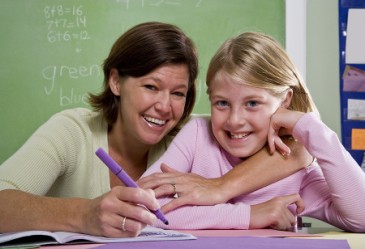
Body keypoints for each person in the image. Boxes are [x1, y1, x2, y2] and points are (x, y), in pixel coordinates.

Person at [0, 22, 309, 237]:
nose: (165, 106)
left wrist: (222, 187)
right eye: (151, 86)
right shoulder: (72, 131)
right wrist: (84, 215)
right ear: (116, 81)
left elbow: (302, 144)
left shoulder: (195, 134)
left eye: (178, 93)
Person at [140, 31, 365, 232]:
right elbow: (141, 210)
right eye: (222, 103)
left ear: (285, 101)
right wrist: (249, 215)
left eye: (252, 103)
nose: (235, 121)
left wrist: (310, 127)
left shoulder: (296, 170)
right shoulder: (197, 135)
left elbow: (362, 218)